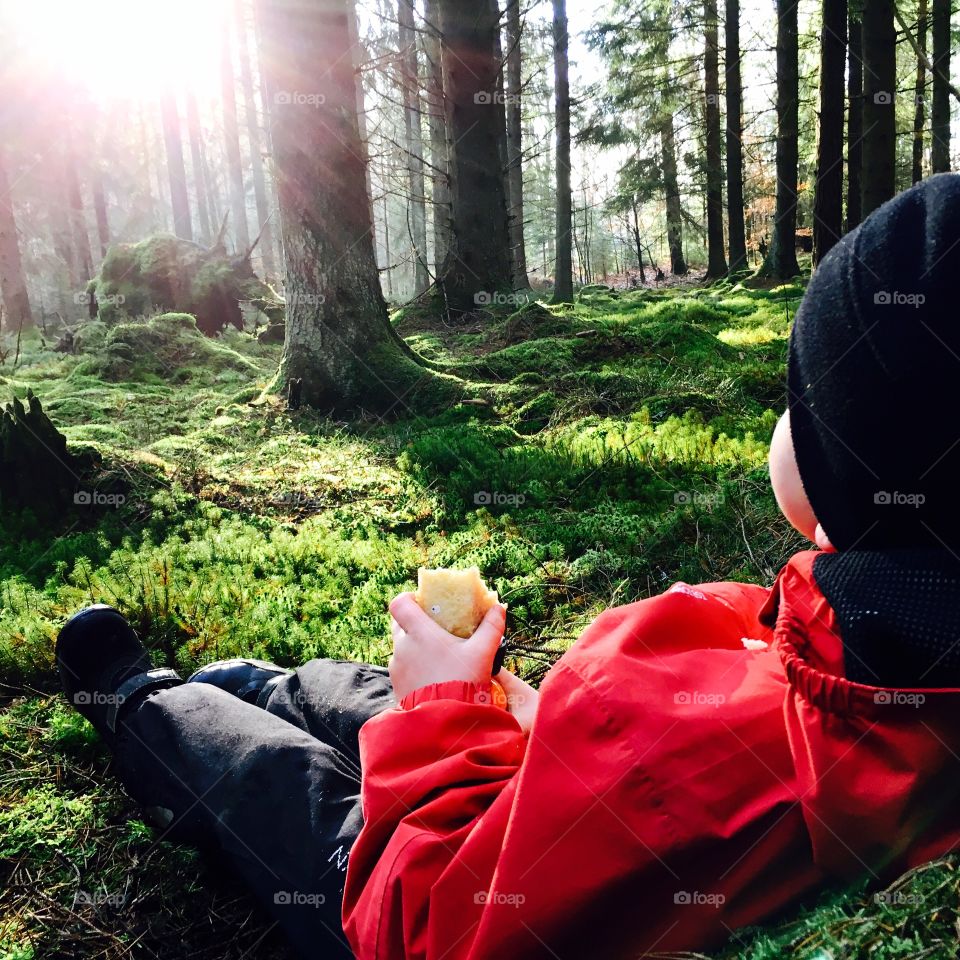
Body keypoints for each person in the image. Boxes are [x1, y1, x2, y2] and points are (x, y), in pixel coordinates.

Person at [59, 174, 960, 960]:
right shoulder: (882, 642)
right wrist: (537, 722)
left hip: (414, 891)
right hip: (572, 789)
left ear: (854, 466)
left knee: (275, 783)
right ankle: (273, 688)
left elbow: (426, 923)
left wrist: (438, 715)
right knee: (371, 693)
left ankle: (140, 703)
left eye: (798, 397)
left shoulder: (702, 754)